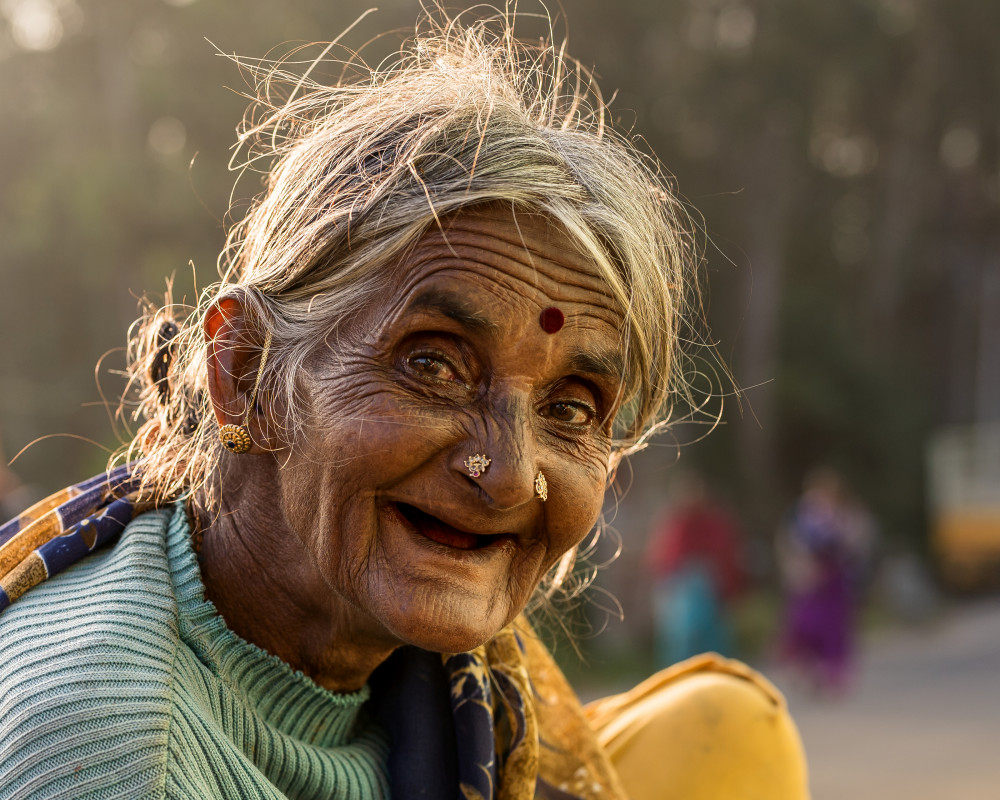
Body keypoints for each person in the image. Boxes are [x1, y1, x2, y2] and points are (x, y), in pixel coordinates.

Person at [0, 11, 808, 799]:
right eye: (433, 364)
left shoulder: (419, 673)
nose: (505, 476)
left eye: (570, 408)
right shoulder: (119, 756)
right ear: (243, 372)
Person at [777, 467, 875, 694]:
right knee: (805, 624)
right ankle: (806, 669)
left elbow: (858, 542)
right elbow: (791, 543)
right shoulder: (804, 513)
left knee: (834, 628)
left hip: (835, 578)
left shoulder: (845, 514)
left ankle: (831, 673)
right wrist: (801, 567)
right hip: (810, 577)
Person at [646, 473, 745, 666]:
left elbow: (727, 556)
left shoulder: (714, 522)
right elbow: (662, 560)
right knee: (683, 634)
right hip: (680, 590)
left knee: (709, 635)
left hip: (710, 591)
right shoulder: (674, 523)